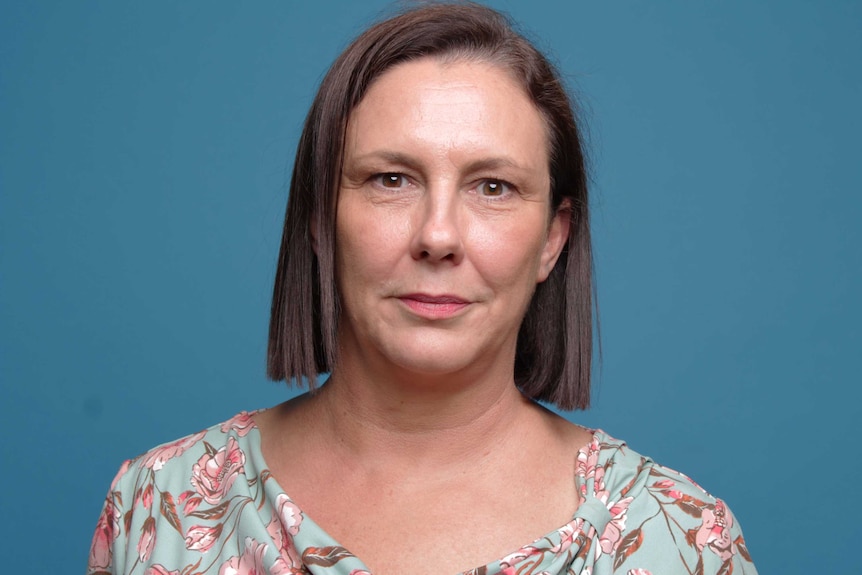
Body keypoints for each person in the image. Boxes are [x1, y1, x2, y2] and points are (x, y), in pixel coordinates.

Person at [87, 3, 757, 574]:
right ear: (321, 217)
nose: (438, 235)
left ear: (553, 238)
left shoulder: (680, 539)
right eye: (392, 179)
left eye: (493, 187)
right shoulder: (159, 507)